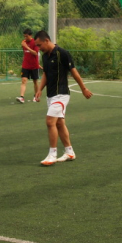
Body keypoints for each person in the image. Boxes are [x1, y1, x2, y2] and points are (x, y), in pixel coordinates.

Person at [33, 31, 92, 166]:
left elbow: (74, 72)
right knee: (59, 123)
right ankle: (69, 152)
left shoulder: (62, 53)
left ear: (47, 40)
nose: (38, 48)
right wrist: (39, 90)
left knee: (50, 122)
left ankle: (52, 154)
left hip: (62, 94)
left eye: (39, 45)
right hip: (51, 95)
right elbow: (46, 75)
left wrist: (83, 88)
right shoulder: (45, 56)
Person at [17, 28, 40, 103]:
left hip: (34, 66)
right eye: (24, 36)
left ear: (30, 35)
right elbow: (25, 53)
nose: (25, 38)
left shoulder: (35, 42)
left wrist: (27, 47)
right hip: (25, 65)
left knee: (35, 81)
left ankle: (36, 96)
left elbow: (35, 53)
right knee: (24, 80)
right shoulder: (23, 42)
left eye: (26, 36)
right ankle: (22, 97)